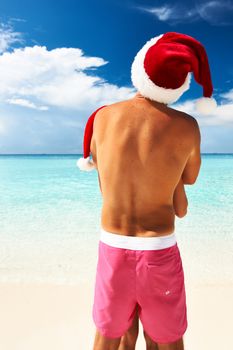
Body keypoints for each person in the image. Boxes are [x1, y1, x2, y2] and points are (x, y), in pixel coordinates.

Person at [77, 31, 216, 350]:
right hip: (159, 250)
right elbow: (189, 178)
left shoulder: (101, 118)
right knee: (166, 341)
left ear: (140, 69)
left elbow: (104, 180)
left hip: (113, 248)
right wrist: (166, 176)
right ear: (179, 85)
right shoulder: (186, 126)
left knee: (110, 338)